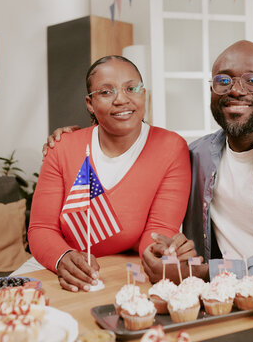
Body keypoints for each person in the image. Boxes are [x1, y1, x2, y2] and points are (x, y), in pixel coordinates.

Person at [45, 42, 253, 341]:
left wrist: (207, 271)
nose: (236, 90)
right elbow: (154, 205)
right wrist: (75, 138)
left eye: (252, 80)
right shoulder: (196, 155)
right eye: (223, 81)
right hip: (223, 309)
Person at [27, 55, 191, 293]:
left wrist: (158, 255)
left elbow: (159, 227)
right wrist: (62, 257)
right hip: (56, 266)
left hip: (124, 271)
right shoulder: (62, 147)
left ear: (144, 95)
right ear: (90, 104)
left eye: (132, 88)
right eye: (106, 92)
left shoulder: (171, 147)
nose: (121, 99)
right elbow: (41, 228)